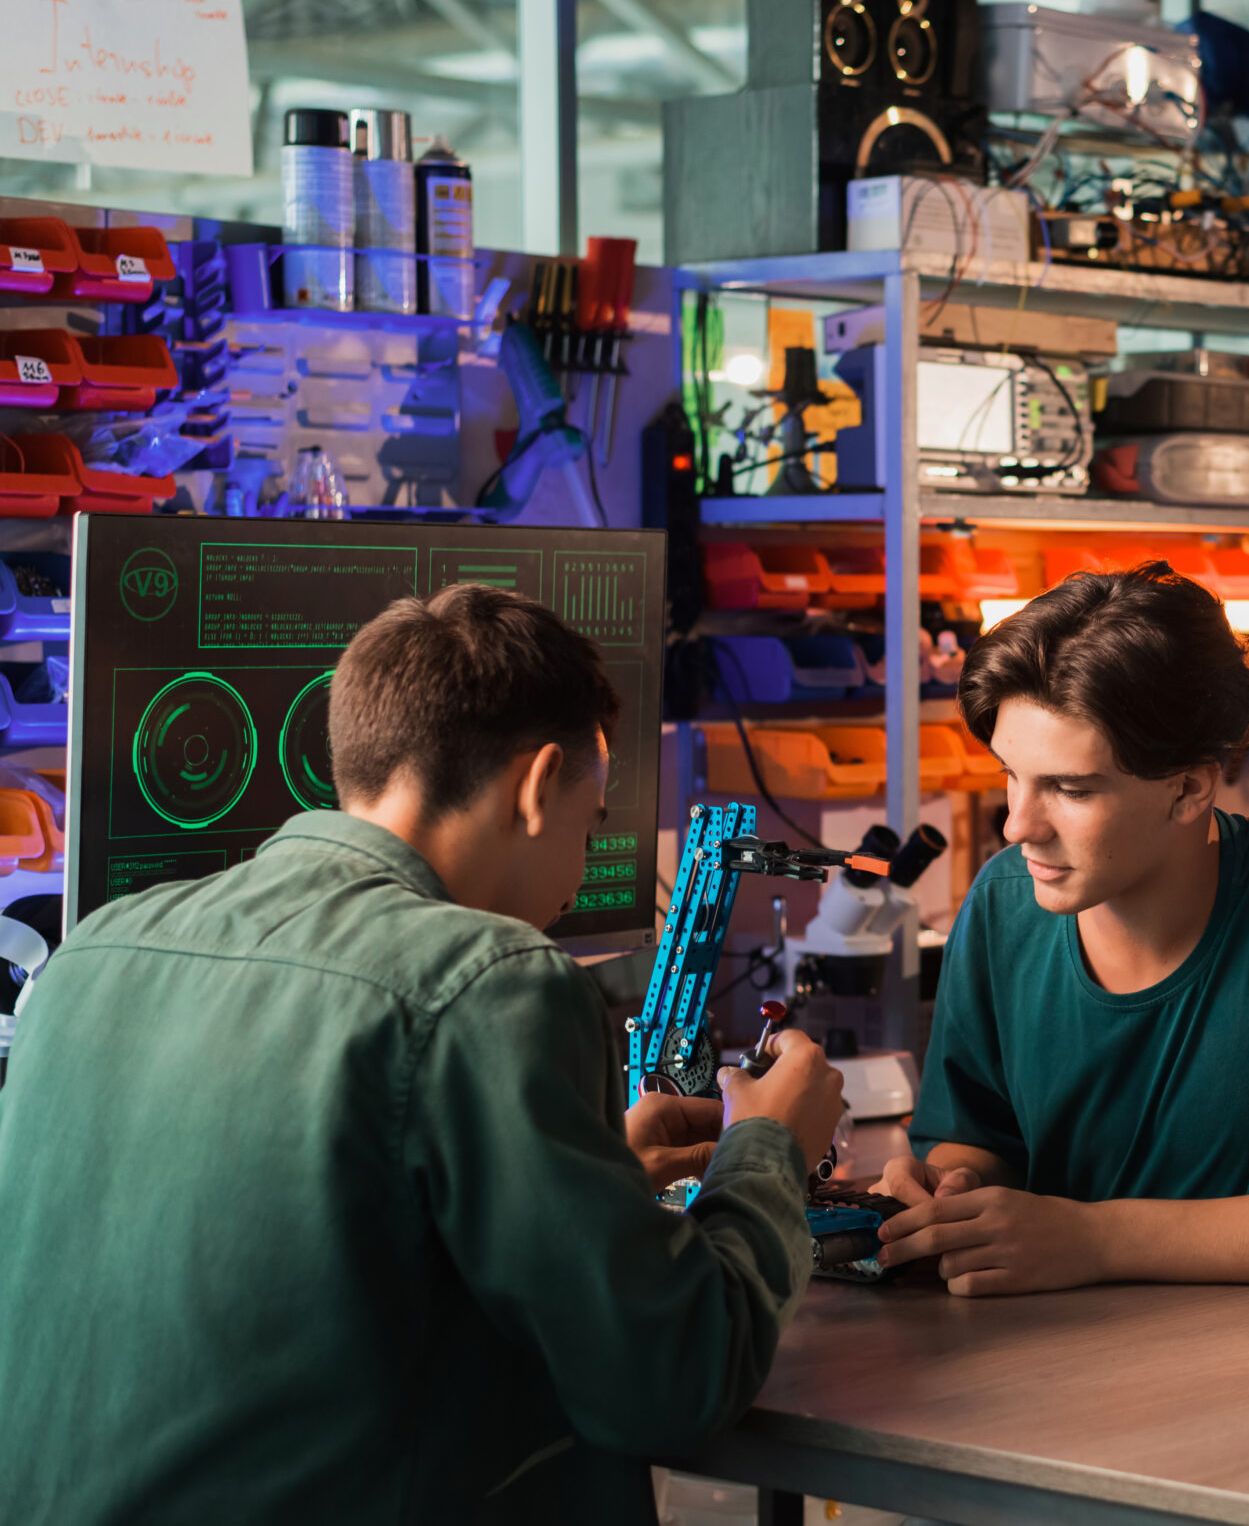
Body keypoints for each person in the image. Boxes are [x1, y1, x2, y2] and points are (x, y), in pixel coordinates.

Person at [0, 584, 846, 1522]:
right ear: (536, 786)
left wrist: (602, 1179)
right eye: (593, 818)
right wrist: (768, 1149)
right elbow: (675, 1381)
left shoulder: (93, 950)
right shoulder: (493, 978)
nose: (582, 863)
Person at [871, 562, 1249, 1293]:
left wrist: (1095, 1238)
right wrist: (951, 1190)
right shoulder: (1002, 904)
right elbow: (980, 1137)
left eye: (1068, 788)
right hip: (1056, 1361)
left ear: (1189, 787)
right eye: (1011, 775)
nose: (1018, 824)